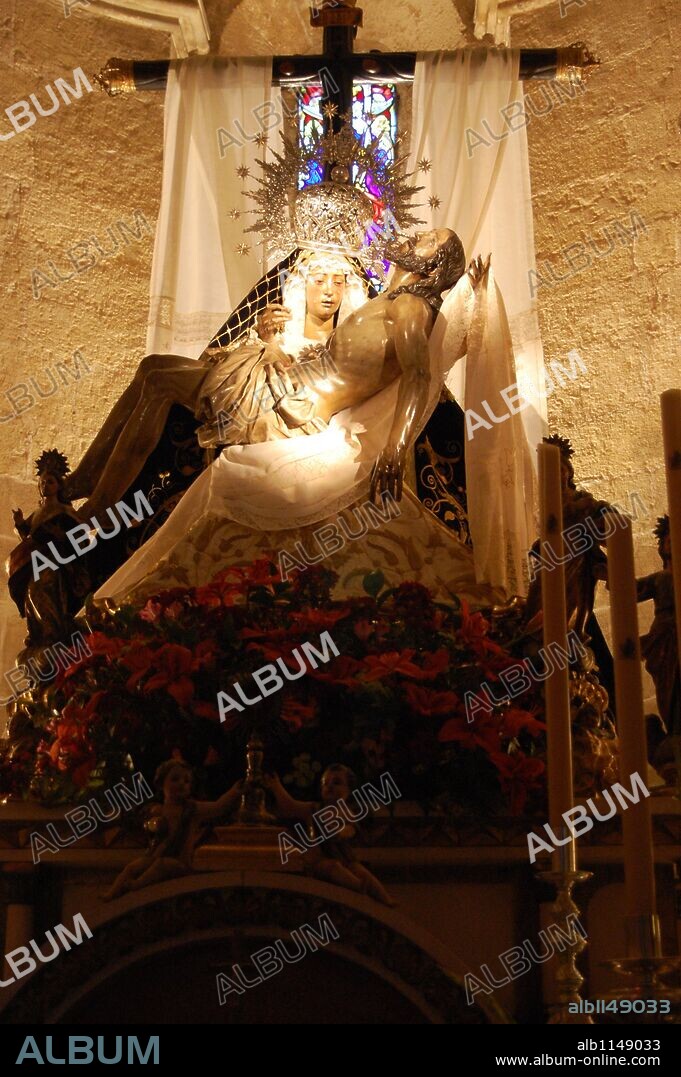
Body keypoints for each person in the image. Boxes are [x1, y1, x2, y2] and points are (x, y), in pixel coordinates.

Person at [63, 251, 366, 519]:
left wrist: (271, 348)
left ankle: (101, 504)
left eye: (337, 282)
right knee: (151, 364)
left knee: (159, 382)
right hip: (252, 384)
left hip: (275, 409)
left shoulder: (344, 339)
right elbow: (255, 357)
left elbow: (313, 382)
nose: (329, 292)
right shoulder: (286, 324)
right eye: (320, 280)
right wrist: (266, 337)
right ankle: (88, 476)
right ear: (303, 285)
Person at [102, 759, 242, 900]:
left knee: (162, 864)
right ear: (161, 784)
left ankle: (137, 885)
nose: (182, 783)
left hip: (180, 863)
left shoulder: (192, 809)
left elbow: (218, 807)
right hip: (156, 856)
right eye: (175, 779)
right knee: (132, 867)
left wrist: (234, 791)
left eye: (186, 781)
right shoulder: (159, 810)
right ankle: (113, 892)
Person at [265, 764, 395, 907]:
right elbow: (290, 806)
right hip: (319, 859)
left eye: (337, 783)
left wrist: (342, 832)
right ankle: (359, 888)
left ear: (348, 790)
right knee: (334, 868)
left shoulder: (347, 814)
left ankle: (385, 900)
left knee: (361, 871)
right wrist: (276, 786)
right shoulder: (314, 809)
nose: (330, 787)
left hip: (345, 858)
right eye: (325, 783)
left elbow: (350, 830)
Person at [637, 516, 679, 770]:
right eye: (669, 538)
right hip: (663, 640)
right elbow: (628, 590)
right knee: (668, 688)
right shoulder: (660, 578)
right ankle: (673, 730)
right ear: (662, 545)